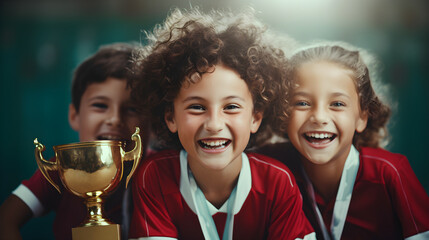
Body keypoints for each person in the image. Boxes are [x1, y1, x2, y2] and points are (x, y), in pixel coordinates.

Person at [127, 8, 315, 240]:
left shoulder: (277, 181)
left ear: (255, 117)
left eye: (231, 107)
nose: (214, 124)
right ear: (170, 117)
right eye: (197, 107)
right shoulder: (154, 176)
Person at [259, 43, 429, 240]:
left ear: (362, 116)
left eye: (337, 104)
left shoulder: (389, 172)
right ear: (283, 113)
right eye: (302, 103)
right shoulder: (269, 167)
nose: (319, 117)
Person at [0, 43, 150, 240]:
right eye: (100, 105)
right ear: (74, 116)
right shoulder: (59, 169)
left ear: (153, 121)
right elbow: (5, 219)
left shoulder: (158, 170)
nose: (115, 119)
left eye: (132, 109)